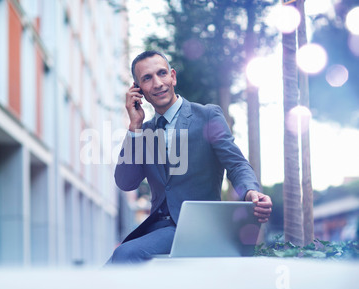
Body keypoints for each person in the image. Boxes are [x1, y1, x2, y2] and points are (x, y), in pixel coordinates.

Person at [106, 50, 272, 264]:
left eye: (162, 73)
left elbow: (237, 164)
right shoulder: (143, 132)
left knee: (124, 255)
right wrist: (134, 126)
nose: (157, 83)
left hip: (197, 226)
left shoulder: (207, 116)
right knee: (108, 268)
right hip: (157, 228)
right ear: (138, 90)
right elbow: (126, 182)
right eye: (147, 78)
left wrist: (251, 190)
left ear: (173, 76)